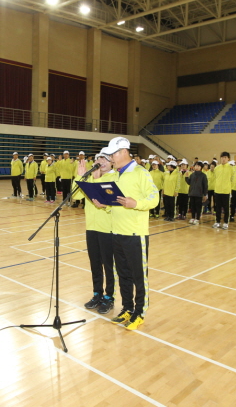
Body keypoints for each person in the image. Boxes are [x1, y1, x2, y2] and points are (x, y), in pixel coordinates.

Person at [93, 136, 159, 331]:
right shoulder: (116, 175)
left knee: (139, 276)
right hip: (116, 232)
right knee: (123, 274)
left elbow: (154, 198)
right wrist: (104, 205)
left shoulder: (141, 173)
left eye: (112, 154)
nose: (111, 158)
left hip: (135, 234)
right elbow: (113, 203)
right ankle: (127, 309)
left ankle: (140, 312)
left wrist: (136, 204)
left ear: (123, 152)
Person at [80, 149, 117, 314]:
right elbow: (76, 197)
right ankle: (97, 293)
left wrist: (96, 181)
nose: (101, 161)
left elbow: (112, 204)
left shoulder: (115, 178)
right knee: (94, 262)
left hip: (107, 228)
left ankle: (109, 296)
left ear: (111, 162)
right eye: (98, 158)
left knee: (108, 264)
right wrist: (81, 176)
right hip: (91, 227)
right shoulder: (90, 177)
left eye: (105, 158)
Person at [212, 152, 234, 229]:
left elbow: (232, 180)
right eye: (222, 157)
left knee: (226, 208)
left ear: (228, 159)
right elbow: (215, 178)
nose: (223, 159)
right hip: (217, 191)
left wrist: (230, 190)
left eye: (225, 157)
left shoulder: (231, 168)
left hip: (226, 191)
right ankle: (217, 221)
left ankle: (225, 222)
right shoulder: (217, 168)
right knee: (217, 208)